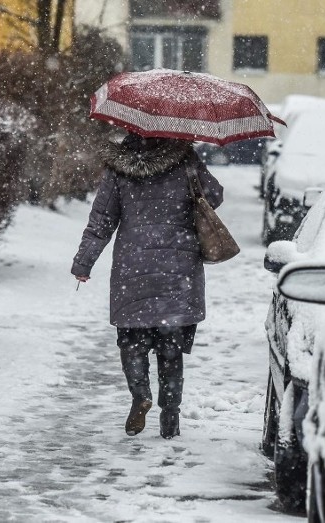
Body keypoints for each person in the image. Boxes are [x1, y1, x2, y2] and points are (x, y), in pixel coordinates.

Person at [71, 132, 224, 439]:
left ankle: (140, 394)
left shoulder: (119, 167)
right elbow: (215, 195)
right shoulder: (185, 160)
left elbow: (102, 220)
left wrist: (83, 263)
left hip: (133, 268)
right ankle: (170, 419)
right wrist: (192, 163)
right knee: (171, 350)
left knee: (132, 343)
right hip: (177, 268)